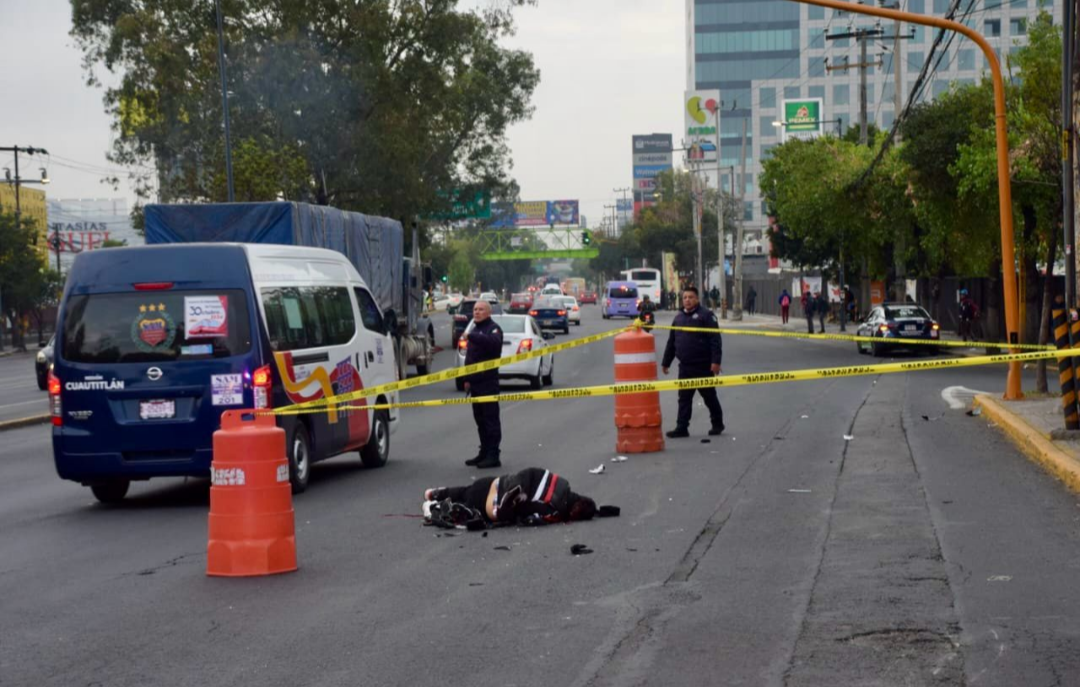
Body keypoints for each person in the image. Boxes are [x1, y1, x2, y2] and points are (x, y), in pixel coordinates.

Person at [423, 467, 599, 528]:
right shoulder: (555, 511)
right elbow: (529, 515)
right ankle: (434, 508)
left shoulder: (561, 483)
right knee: (468, 504)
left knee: (466, 491)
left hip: (496, 483)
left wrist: (517, 486)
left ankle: (437, 493)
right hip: (494, 508)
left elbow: (532, 472)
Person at [662, 287, 724, 438]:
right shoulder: (678, 318)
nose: (687, 300)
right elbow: (672, 342)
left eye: (690, 297)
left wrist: (715, 362)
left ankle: (717, 424)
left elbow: (715, 340)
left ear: (697, 299)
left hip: (703, 366)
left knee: (709, 397)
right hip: (685, 367)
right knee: (684, 398)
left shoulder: (706, 316)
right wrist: (666, 362)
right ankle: (682, 427)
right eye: (685, 297)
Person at [463, 300, 504, 469]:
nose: (476, 312)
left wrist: (472, 336)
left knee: (490, 420)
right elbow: (470, 357)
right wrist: (466, 378)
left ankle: (493, 455)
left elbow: (493, 344)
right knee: (479, 420)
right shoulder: (475, 328)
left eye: (480, 309)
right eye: (475, 309)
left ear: (488, 312)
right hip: (475, 383)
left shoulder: (493, 329)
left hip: (488, 383)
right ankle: (484, 451)